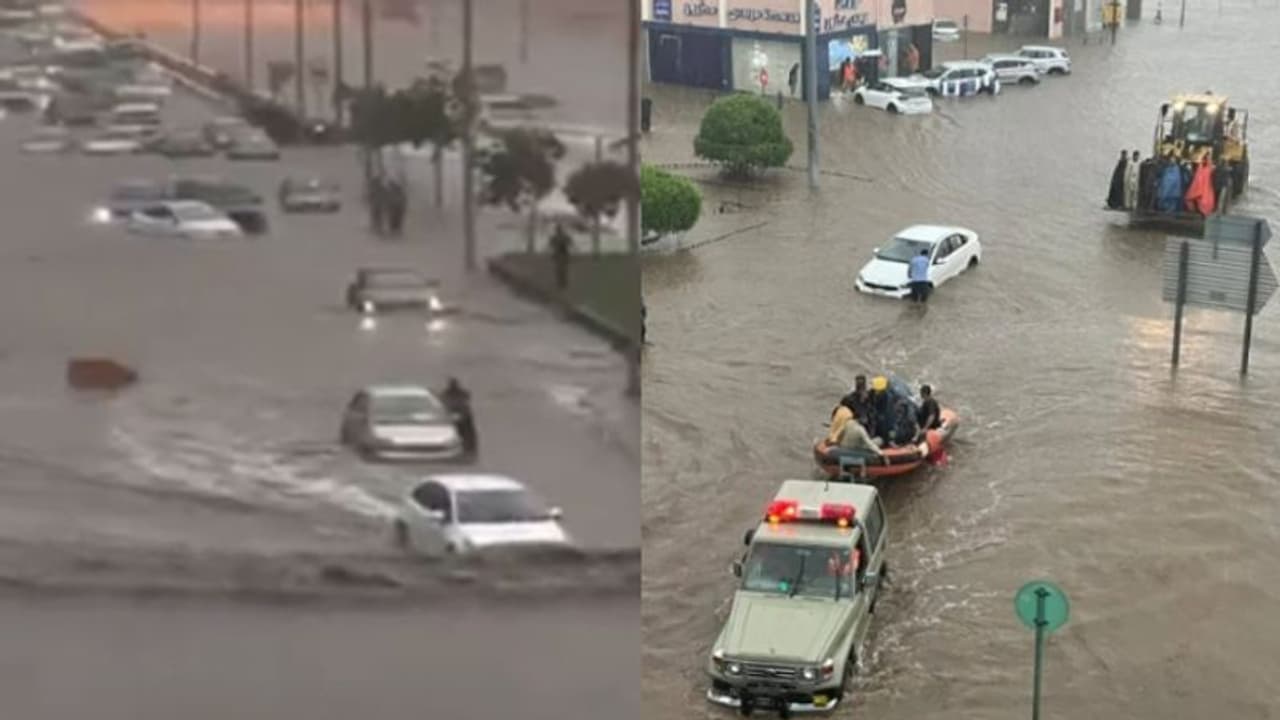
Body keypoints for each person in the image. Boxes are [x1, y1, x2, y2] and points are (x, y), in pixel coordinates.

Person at [441, 377, 477, 456]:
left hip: (462, 416)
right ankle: (468, 448)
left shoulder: (448, 394)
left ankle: (469, 448)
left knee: (466, 433)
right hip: (458, 416)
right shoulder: (449, 394)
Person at [549, 223, 573, 291]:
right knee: (561, 269)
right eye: (558, 229)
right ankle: (562, 283)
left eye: (558, 229)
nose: (558, 230)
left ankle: (562, 283)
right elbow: (571, 243)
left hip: (561, 255)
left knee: (560, 269)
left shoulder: (556, 237)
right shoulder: (561, 236)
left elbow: (551, 245)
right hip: (561, 255)